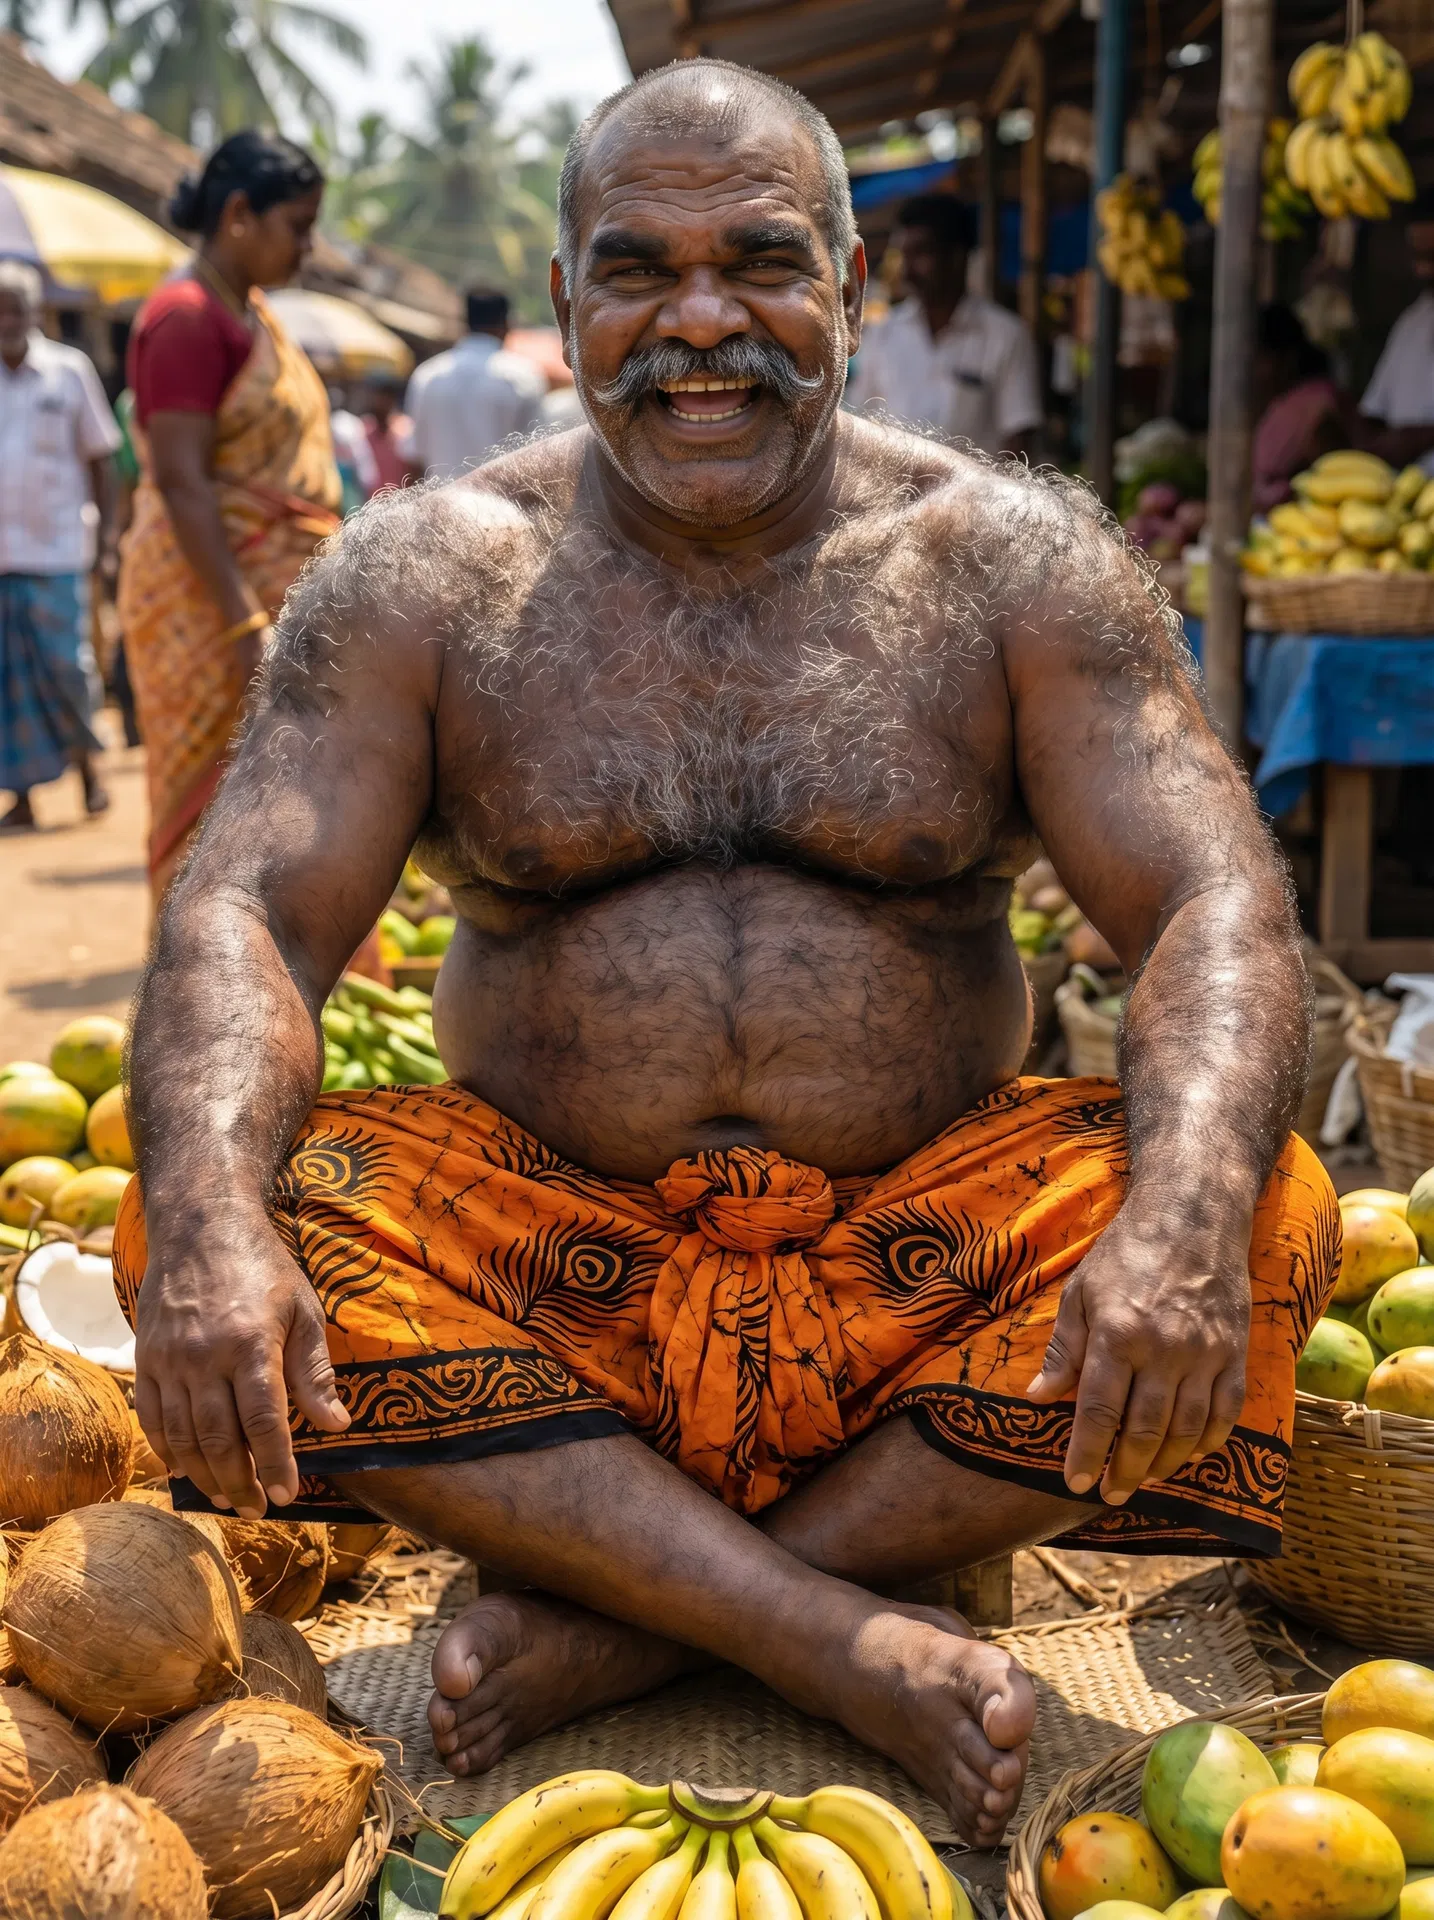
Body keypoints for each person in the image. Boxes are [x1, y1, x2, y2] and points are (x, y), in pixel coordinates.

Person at [116, 61, 1336, 1842]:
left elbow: (1212, 902)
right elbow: (247, 912)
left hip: (909, 1279)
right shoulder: (430, 580)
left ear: (845, 283)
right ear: (563, 305)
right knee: (185, 1215)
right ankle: (821, 1625)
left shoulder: (1002, 564)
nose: (702, 322)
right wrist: (224, 1227)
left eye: (760, 260)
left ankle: (634, 1620)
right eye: (636, 270)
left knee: (1259, 1199)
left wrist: (1171, 1219)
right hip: (554, 1283)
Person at [117, 130, 342, 901]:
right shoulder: (185, 320)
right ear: (240, 214)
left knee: (300, 796)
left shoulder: (245, 314)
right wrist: (245, 623)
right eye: (298, 227)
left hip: (259, 599)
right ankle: (195, 1000)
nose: (307, 249)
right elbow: (183, 483)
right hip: (206, 605)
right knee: (208, 805)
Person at [0, 261, 120, 830]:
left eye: (14, 309)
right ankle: (21, 797)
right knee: (7, 682)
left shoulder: (68, 372)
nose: (5, 320)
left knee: (67, 669)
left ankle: (89, 774)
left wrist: (109, 538)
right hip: (2, 558)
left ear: (34, 313)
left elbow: (102, 458)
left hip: (57, 552)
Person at [845, 193, 1043, 457]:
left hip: (980, 497)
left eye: (921, 254)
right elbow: (859, 422)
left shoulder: (1006, 336)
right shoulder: (883, 335)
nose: (908, 270)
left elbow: (1019, 439)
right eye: (905, 255)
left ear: (957, 257)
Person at [401, 287, 546, 480]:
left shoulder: (428, 375)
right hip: (502, 504)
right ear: (506, 324)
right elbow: (535, 456)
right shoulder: (523, 377)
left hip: (436, 503)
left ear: (465, 323)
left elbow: (414, 456)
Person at [1358, 192, 1434, 468]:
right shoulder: (1411, 322)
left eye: (1433, 257)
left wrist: (1421, 438)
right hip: (1405, 495)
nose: (1425, 270)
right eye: (1419, 257)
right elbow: (1374, 412)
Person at [1251, 304, 1344, 513]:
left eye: (1260, 359)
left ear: (1287, 358)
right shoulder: (1277, 402)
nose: (1253, 371)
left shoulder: (1317, 404)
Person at [360, 372, 410, 494]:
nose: (378, 401)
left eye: (382, 396)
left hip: (401, 504)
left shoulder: (405, 429)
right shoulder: (363, 429)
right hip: (369, 506)